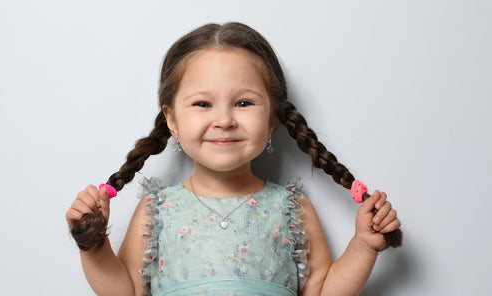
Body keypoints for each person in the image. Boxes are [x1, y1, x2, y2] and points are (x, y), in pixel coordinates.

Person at [66, 22, 402, 296]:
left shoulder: (291, 208)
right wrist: (93, 245)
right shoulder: (158, 209)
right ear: (172, 121)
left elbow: (323, 290)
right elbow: (125, 290)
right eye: (202, 104)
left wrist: (363, 246)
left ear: (272, 119)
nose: (224, 119)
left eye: (243, 103)